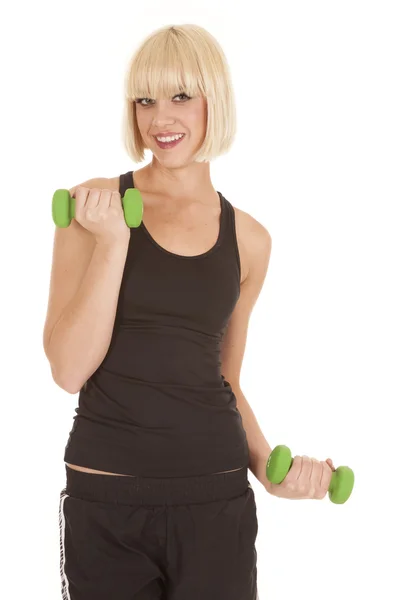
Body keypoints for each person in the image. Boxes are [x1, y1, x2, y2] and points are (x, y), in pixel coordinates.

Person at [43, 23, 335, 600]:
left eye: (181, 96)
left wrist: (270, 473)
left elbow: (224, 378)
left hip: (216, 495)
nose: (160, 118)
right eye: (145, 99)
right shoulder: (94, 207)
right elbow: (68, 370)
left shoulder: (250, 240)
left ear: (213, 102)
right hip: (108, 497)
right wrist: (112, 243)